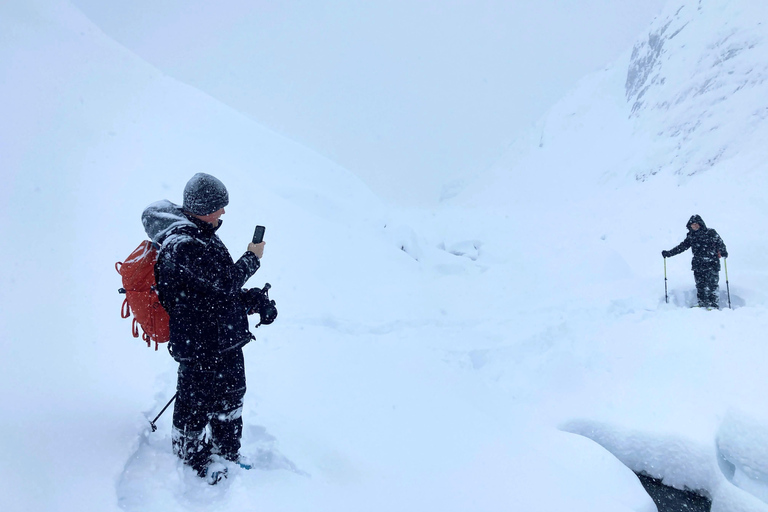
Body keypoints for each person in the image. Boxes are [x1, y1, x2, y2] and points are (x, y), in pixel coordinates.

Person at [151, 173, 269, 483]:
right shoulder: (183, 244)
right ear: (202, 207)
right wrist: (252, 259)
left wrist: (254, 301)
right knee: (195, 405)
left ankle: (226, 451)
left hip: (224, 340)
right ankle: (192, 460)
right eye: (219, 206)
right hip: (198, 345)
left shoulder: (204, 234)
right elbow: (225, 281)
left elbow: (216, 292)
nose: (223, 213)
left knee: (231, 396)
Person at [662, 214, 728, 309]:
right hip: (698, 264)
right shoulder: (691, 236)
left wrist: (723, 252)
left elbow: (720, 243)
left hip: (712, 263)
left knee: (712, 285)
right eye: (692, 225)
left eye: (696, 224)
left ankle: (713, 304)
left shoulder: (711, 233)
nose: (694, 226)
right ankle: (702, 303)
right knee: (700, 285)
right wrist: (669, 253)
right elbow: (682, 247)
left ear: (701, 224)